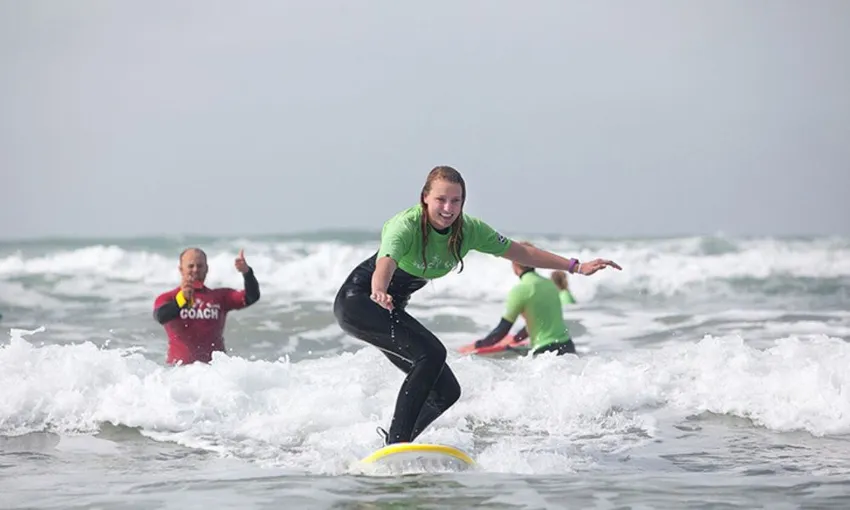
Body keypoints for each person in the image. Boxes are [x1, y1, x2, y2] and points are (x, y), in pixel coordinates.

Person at [332, 166, 621, 446]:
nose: (448, 208)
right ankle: (397, 442)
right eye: (440, 199)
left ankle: (393, 447)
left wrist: (576, 266)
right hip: (361, 302)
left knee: (446, 391)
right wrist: (379, 289)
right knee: (432, 354)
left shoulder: (469, 230)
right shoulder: (406, 225)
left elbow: (521, 252)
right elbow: (387, 260)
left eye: (455, 201)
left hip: (389, 309)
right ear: (424, 198)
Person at [465, 242, 578, 356]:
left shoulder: (521, 290)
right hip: (568, 347)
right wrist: (516, 338)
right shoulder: (550, 284)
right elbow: (539, 322)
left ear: (514, 262)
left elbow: (502, 330)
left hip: (546, 352)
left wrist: (478, 345)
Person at [153, 247, 260, 365]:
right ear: (181, 269)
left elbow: (251, 297)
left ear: (207, 269)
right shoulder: (169, 297)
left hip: (214, 371)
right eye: (190, 266)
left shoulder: (219, 297)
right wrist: (182, 300)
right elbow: (160, 316)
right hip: (179, 372)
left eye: (200, 266)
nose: (195, 270)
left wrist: (247, 273)